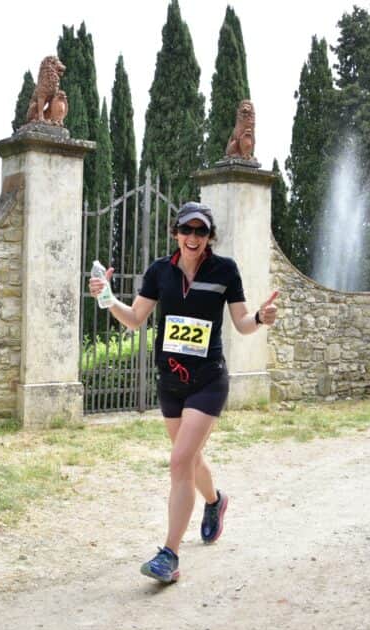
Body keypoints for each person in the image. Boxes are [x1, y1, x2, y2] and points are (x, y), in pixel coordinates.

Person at [89, 201, 278, 583]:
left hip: (208, 380)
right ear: (176, 233)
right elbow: (135, 319)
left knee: (179, 461)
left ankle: (169, 555)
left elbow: (242, 323)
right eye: (187, 230)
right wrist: (107, 298)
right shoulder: (160, 271)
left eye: (201, 231)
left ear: (209, 236)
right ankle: (215, 501)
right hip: (171, 382)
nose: (193, 237)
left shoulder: (225, 270)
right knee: (190, 459)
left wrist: (259, 317)